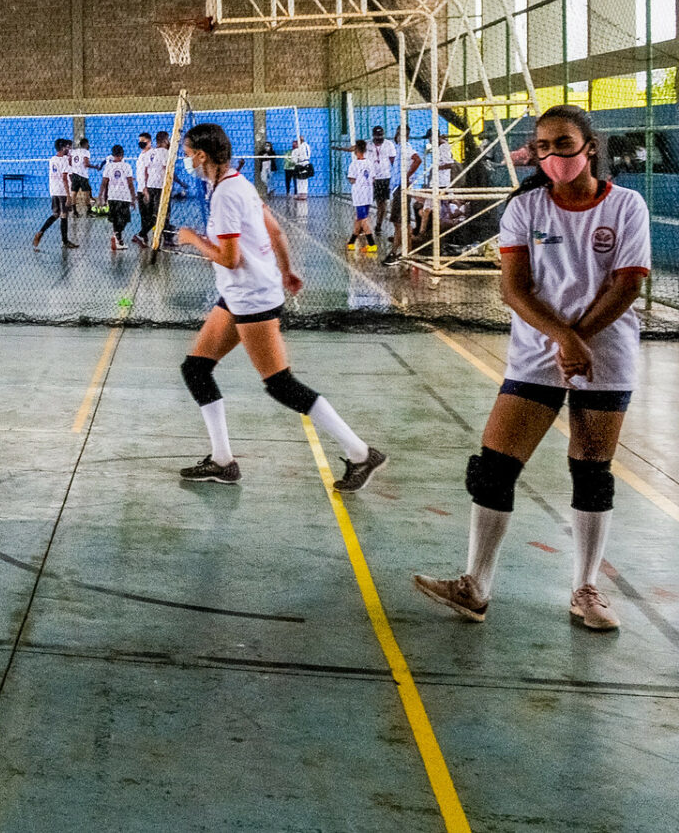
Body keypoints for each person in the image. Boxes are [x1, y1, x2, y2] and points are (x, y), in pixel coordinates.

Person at [413, 105, 650, 631]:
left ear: (589, 146)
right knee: (493, 469)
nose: (552, 155)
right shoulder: (525, 209)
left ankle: (586, 588)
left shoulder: (627, 206)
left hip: (604, 358)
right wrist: (563, 339)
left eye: (562, 143)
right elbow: (514, 289)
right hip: (538, 357)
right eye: (542, 147)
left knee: (591, 472)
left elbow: (628, 284)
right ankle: (475, 585)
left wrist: (579, 341)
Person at [172, 123, 387, 490]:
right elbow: (277, 232)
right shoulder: (238, 183)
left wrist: (193, 239)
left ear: (202, 155)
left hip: (251, 298)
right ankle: (223, 461)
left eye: (188, 152)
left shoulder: (226, 194)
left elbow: (228, 257)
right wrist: (287, 271)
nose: (186, 158)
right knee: (196, 368)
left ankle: (361, 454)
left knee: (280, 385)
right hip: (241, 295)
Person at [33, 138, 79, 249]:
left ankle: (41, 232)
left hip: (54, 190)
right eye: (68, 147)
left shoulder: (52, 159)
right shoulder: (63, 160)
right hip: (62, 192)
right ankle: (65, 241)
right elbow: (64, 178)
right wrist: (69, 196)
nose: (69, 149)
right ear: (63, 148)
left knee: (56, 214)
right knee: (64, 215)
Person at [100, 144, 135, 251]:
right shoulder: (126, 166)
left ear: (113, 154)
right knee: (124, 219)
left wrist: (101, 196)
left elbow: (104, 183)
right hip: (124, 197)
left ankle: (117, 238)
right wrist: (133, 197)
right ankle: (117, 236)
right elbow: (130, 183)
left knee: (115, 219)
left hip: (112, 196)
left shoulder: (108, 166)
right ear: (122, 154)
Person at [346, 141, 375, 254]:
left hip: (359, 194)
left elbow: (352, 179)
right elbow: (373, 178)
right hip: (368, 192)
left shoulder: (354, 164)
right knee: (359, 218)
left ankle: (372, 244)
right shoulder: (370, 163)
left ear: (356, 151)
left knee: (363, 219)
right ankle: (351, 242)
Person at [132, 133, 160, 245]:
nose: (141, 143)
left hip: (147, 189)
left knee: (152, 215)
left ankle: (141, 234)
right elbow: (139, 174)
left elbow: (146, 173)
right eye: (140, 141)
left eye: (143, 140)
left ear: (149, 141)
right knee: (143, 216)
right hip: (140, 188)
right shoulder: (141, 155)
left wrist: (145, 190)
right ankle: (144, 238)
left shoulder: (152, 154)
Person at [68, 137, 94, 217]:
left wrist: (75, 167)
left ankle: (75, 212)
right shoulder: (86, 152)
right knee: (86, 193)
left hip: (75, 174)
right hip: (83, 175)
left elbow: (69, 161)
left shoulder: (74, 151)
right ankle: (88, 211)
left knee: (74, 193)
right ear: (86, 144)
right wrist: (95, 167)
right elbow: (86, 164)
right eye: (88, 144)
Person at [287, 136, 312, 201]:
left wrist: (295, 159)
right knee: (305, 179)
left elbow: (294, 159)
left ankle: (301, 195)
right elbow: (308, 154)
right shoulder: (307, 146)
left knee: (300, 179)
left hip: (300, 163)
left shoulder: (299, 149)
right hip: (306, 163)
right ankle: (304, 194)